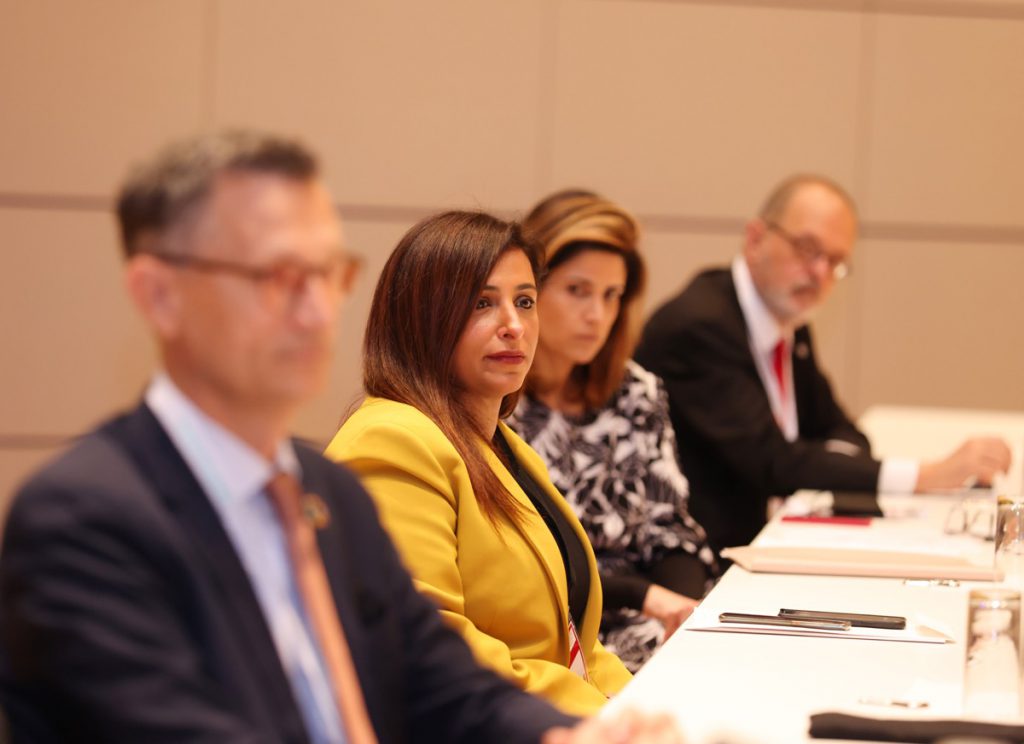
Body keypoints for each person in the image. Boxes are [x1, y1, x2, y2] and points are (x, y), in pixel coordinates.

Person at [0, 131, 679, 744]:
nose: (317, 309)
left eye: (328, 274)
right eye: (276, 277)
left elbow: (441, 681)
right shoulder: (85, 516)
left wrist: (576, 733)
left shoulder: (323, 490)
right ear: (159, 296)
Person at [325, 211, 633, 717]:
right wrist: (596, 714)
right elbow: (428, 647)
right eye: (482, 303)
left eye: (525, 301)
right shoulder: (392, 440)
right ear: (421, 317)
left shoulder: (502, 444)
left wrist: (640, 701)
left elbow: (577, 640)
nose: (513, 326)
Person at [635, 174, 1012, 554]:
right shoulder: (699, 326)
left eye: (834, 261)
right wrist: (925, 475)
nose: (820, 273)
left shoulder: (787, 322)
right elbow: (773, 462)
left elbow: (841, 431)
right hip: (698, 557)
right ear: (755, 240)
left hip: (767, 540)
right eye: (807, 249)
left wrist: (817, 460)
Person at [506, 190, 716, 672]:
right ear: (528, 292)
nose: (597, 315)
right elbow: (525, 567)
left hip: (646, 616)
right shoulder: (494, 404)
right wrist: (647, 597)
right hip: (550, 633)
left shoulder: (635, 391)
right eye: (577, 291)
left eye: (611, 295)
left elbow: (671, 531)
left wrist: (679, 615)